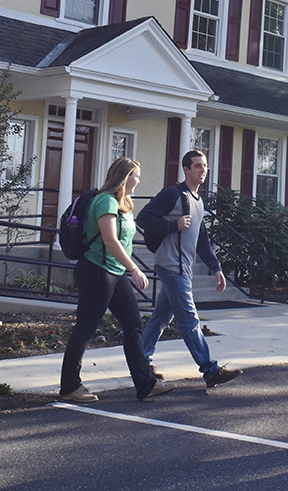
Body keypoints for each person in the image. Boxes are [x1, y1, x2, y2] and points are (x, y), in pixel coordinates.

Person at [59, 157, 176, 402]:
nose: (139, 180)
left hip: (115, 272)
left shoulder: (124, 203)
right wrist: (134, 269)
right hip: (96, 271)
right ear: (124, 177)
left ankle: (145, 383)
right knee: (85, 329)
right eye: (136, 175)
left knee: (134, 326)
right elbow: (110, 240)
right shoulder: (105, 201)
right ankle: (70, 387)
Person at [138, 150, 242, 389]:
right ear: (186, 169)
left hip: (184, 267)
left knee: (161, 317)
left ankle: (141, 361)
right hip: (171, 265)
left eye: (204, 166)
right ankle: (210, 370)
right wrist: (171, 225)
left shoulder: (197, 200)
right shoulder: (172, 194)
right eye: (197, 166)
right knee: (189, 319)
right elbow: (143, 218)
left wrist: (216, 267)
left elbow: (202, 238)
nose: (202, 170)